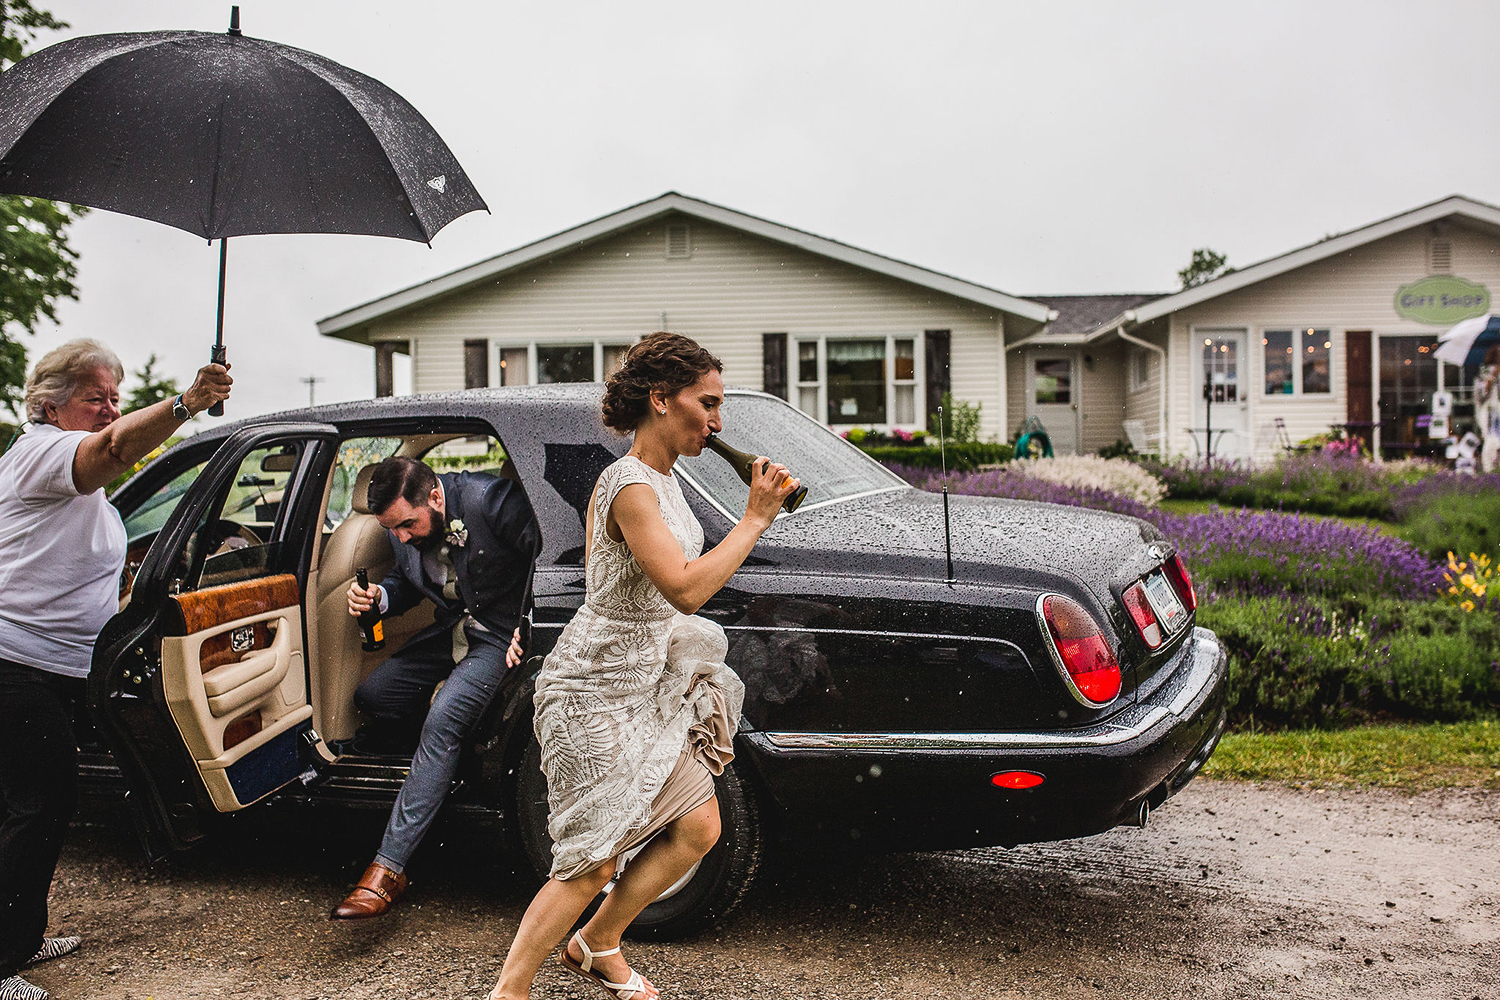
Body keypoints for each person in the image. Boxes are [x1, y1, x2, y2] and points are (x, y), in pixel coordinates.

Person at [487, 333, 799, 1000]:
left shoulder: (666, 478)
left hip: (647, 686)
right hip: (593, 692)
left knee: (699, 827)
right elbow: (684, 588)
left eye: (719, 409)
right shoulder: (628, 484)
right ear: (662, 400)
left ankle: (597, 942)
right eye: (706, 404)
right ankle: (509, 991)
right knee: (593, 859)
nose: (717, 423)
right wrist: (753, 519)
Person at [0, 340, 231, 1000]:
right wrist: (188, 403)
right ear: (50, 405)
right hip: (17, 662)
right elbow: (110, 454)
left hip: (51, 664)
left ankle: (18, 931)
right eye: (95, 396)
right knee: (38, 805)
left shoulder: (60, 471)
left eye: (114, 396)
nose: (109, 408)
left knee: (26, 805)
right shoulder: (44, 453)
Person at [331, 456, 540, 919]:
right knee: (373, 696)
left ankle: (390, 868)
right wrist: (379, 598)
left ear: (437, 497)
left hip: (499, 639)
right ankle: (448, 766)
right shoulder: (401, 523)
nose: (401, 537)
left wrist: (531, 622)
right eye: (393, 530)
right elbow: (408, 580)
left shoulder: (490, 501)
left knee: (440, 722)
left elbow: (552, 558)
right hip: (451, 632)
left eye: (407, 525)